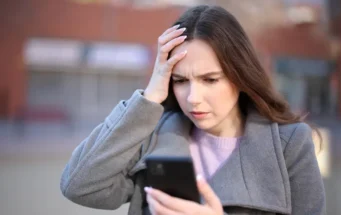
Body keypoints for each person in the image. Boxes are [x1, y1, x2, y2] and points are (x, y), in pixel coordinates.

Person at [60, 5, 326, 215]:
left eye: (210, 79)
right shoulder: (153, 136)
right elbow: (79, 186)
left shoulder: (289, 145)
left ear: (240, 76)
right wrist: (150, 96)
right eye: (180, 81)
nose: (194, 98)